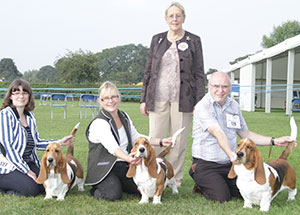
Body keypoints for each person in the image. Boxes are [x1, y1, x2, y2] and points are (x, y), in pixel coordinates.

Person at [189, 71, 295, 202]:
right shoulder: (202, 106)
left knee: (244, 193)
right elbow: (217, 132)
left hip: (230, 163)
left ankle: (217, 182)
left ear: (230, 88)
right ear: (209, 86)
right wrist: (231, 153)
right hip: (206, 164)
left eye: (225, 87)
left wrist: (274, 141)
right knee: (222, 197)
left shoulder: (233, 105)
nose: (220, 90)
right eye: (216, 86)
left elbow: (245, 133)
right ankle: (200, 182)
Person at [140, 2, 206, 187]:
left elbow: (199, 72)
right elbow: (148, 71)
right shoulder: (157, 40)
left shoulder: (194, 40)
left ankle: (174, 178)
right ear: (166, 18)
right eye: (171, 16)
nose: (175, 19)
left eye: (178, 15)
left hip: (183, 99)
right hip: (157, 98)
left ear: (184, 18)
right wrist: (144, 99)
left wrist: (198, 101)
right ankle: (154, 173)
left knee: (178, 141)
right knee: (156, 139)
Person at [85, 81, 173, 201]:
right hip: (104, 168)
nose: (110, 101)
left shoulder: (124, 116)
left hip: (123, 165)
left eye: (113, 97)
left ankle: (119, 184)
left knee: (141, 190)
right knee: (113, 195)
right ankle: (96, 188)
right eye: (105, 98)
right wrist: (129, 158)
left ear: (119, 97)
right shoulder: (99, 123)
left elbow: (136, 137)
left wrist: (161, 141)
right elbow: (113, 147)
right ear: (100, 101)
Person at [0, 79, 73, 197]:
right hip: (8, 165)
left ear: (29, 96)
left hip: (28, 161)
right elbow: (8, 148)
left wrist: (59, 142)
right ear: (10, 96)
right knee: (31, 189)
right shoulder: (5, 115)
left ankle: (22, 180)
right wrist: (26, 171)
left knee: (45, 184)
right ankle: (4, 187)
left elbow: (37, 142)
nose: (21, 96)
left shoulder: (30, 116)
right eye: (16, 93)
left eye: (24, 93)